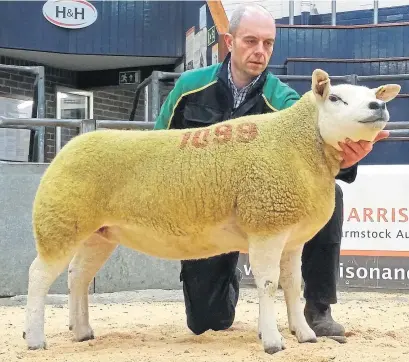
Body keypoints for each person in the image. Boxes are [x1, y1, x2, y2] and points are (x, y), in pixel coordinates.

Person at [153, 4, 388, 341]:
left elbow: (318, 156)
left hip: (264, 207)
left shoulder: (287, 101)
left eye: (268, 43)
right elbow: (158, 144)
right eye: (251, 41)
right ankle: (225, 272)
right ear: (229, 41)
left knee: (329, 193)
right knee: (207, 321)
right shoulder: (189, 88)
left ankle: (318, 307)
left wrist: (349, 159)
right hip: (206, 214)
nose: (260, 51)